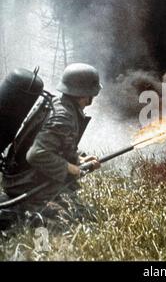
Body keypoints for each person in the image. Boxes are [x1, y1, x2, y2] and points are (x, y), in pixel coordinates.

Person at [1, 63, 102, 224]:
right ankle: (21, 217)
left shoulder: (59, 104)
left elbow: (59, 145)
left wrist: (79, 159)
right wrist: (70, 168)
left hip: (20, 177)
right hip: (25, 184)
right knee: (80, 219)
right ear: (85, 94)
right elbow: (37, 154)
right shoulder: (63, 117)